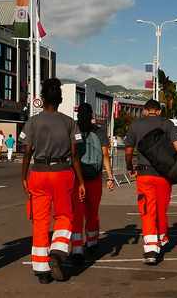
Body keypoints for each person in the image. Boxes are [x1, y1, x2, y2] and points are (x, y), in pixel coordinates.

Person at [21, 78, 86, 284]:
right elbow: (75, 155)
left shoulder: (32, 122)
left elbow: (27, 152)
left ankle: (41, 269)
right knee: (64, 215)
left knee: (40, 220)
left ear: (42, 99)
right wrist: (81, 181)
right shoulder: (70, 123)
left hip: (38, 173)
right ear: (59, 99)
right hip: (62, 172)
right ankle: (57, 252)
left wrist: (24, 176)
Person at [124, 99, 177, 265]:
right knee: (162, 209)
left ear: (144, 111)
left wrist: (130, 166)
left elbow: (128, 151)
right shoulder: (167, 124)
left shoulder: (136, 125)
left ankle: (150, 248)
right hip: (164, 175)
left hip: (144, 174)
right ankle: (162, 238)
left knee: (148, 209)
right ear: (159, 111)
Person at [69, 103, 115, 265]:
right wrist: (110, 177)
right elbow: (105, 155)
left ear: (78, 114)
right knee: (92, 211)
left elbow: (70, 154)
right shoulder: (99, 131)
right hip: (94, 178)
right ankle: (92, 242)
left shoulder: (73, 129)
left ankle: (76, 249)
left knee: (77, 214)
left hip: (76, 179)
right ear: (91, 115)